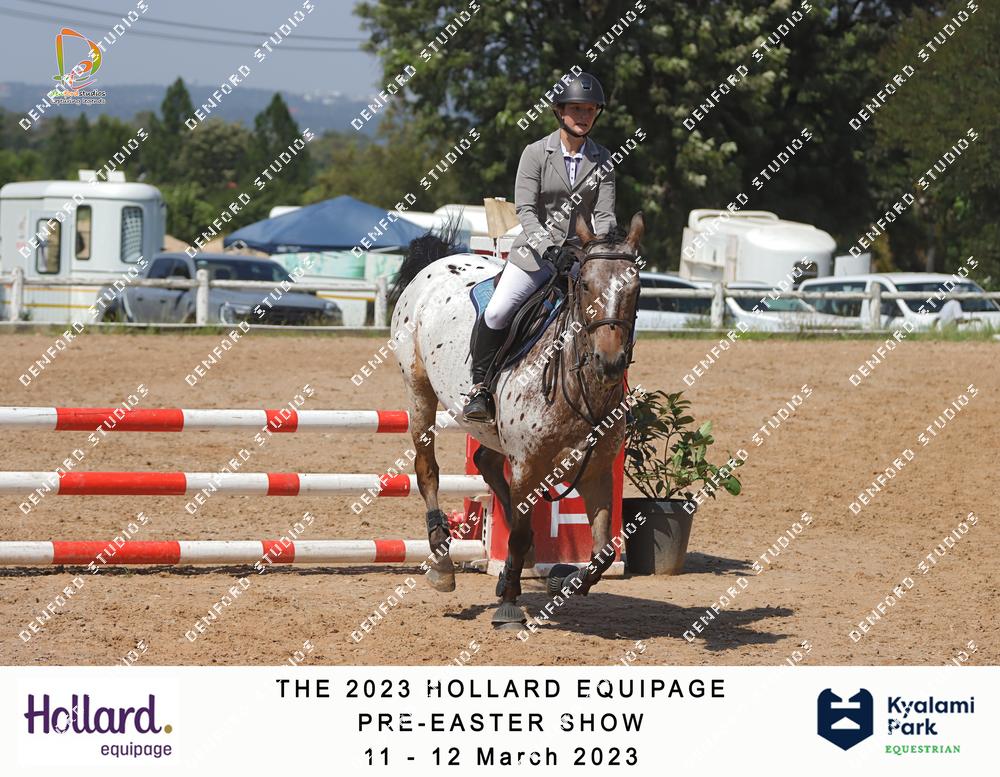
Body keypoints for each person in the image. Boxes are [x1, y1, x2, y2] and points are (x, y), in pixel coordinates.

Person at [463, 72, 617, 423]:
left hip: (581, 258)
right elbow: (526, 210)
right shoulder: (535, 153)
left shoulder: (603, 159)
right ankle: (480, 388)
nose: (583, 116)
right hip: (535, 256)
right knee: (498, 312)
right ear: (559, 111)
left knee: (611, 314)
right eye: (576, 109)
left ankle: (613, 392)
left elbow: (605, 215)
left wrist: (602, 250)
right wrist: (548, 248)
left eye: (590, 110)